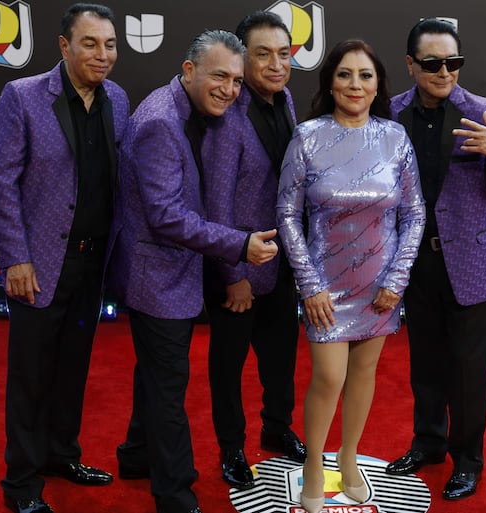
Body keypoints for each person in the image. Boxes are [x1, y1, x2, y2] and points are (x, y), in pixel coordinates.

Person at [108, 30, 279, 513]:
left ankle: (137, 456)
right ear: (189, 71)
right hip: (157, 275)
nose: (230, 89)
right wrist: (240, 245)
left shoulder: (192, 112)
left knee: (156, 375)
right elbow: (164, 216)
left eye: (237, 81)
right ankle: (176, 495)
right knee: (168, 389)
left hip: (172, 270)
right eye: (219, 76)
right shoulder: (161, 122)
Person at [0, 4, 130, 512]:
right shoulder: (22, 97)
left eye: (110, 44)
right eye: (90, 43)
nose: (103, 54)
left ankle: (61, 454)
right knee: (30, 374)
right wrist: (16, 258)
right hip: (41, 261)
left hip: (93, 262)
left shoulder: (117, 98)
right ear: (64, 46)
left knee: (73, 366)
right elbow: (0, 183)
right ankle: (21, 484)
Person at [384, 18, 486, 501]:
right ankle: (428, 444)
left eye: (454, 62)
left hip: (472, 263)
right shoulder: (390, 115)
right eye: (432, 63)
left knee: (469, 371)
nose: (444, 71)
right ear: (411, 65)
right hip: (417, 263)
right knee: (425, 363)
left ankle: (468, 460)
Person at [276, 40, 425, 513]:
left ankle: (349, 456)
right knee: (329, 375)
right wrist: (310, 284)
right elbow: (286, 214)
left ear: (378, 82)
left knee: (364, 373)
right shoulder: (307, 136)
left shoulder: (395, 138)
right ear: (330, 83)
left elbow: (414, 213)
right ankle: (316, 463)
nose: (355, 85)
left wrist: (397, 279)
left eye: (365, 75)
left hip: (381, 285)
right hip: (325, 284)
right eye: (344, 74)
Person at [201, 11, 305, 491]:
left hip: (282, 263)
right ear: (244, 58)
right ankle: (232, 451)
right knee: (228, 365)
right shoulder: (228, 113)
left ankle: (277, 428)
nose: (276, 64)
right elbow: (216, 201)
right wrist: (232, 274)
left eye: (283, 54)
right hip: (239, 267)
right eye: (262, 54)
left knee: (281, 356)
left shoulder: (285, 101)